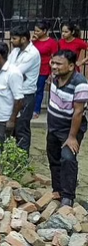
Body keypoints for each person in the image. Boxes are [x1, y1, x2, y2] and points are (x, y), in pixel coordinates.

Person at [46, 50, 88, 207]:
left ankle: (68, 197)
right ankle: (57, 190)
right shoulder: (55, 77)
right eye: (53, 63)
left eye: (58, 64)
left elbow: (78, 112)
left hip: (69, 129)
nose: (54, 66)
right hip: (53, 126)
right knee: (53, 157)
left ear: (71, 66)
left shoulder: (80, 83)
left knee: (68, 158)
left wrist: (72, 137)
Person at [7, 25, 41, 153]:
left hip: (26, 95)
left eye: (14, 38)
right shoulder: (16, 51)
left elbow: (15, 72)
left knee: (22, 127)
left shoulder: (32, 53)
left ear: (24, 39)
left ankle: (22, 161)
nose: (11, 40)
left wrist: (13, 72)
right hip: (14, 92)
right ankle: (13, 156)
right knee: (13, 126)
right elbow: (8, 68)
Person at [32, 21, 58, 119]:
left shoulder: (51, 42)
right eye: (35, 30)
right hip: (34, 68)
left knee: (39, 89)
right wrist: (32, 41)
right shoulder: (35, 41)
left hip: (44, 68)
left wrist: (52, 72)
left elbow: (54, 57)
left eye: (38, 31)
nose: (35, 33)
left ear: (44, 31)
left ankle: (36, 109)